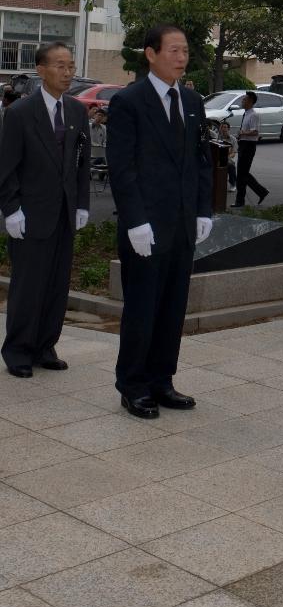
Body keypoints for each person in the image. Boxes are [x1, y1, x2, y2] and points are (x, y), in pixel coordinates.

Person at [107, 24, 213, 418]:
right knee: (142, 307)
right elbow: (122, 168)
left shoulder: (191, 100)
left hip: (182, 225)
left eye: (184, 50)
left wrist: (204, 209)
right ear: (150, 54)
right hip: (145, 227)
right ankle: (133, 385)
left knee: (172, 308)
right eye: (173, 50)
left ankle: (162, 380)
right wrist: (135, 220)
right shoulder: (129, 101)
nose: (181, 57)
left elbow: (201, 161)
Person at [0, 42, 90, 377]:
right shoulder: (20, 113)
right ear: (41, 69)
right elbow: (6, 166)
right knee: (27, 287)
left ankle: (45, 345)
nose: (67, 73)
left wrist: (82, 203)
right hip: (30, 214)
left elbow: (80, 164)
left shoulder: (77, 111)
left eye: (70, 66)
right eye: (59, 66)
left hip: (64, 213)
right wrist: (11, 209)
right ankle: (19, 351)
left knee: (56, 285)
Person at [233, 91, 269, 207]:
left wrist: (243, 133)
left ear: (250, 102)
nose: (242, 101)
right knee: (243, 174)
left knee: (241, 175)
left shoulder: (253, 115)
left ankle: (240, 201)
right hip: (243, 144)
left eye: (244, 100)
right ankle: (261, 191)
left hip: (249, 146)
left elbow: (255, 132)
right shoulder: (246, 113)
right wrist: (241, 135)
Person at [217, 118, 238, 188]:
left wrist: (227, 158)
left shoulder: (233, 139)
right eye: (222, 127)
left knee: (231, 165)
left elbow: (233, 153)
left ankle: (233, 184)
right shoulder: (218, 138)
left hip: (228, 158)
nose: (224, 129)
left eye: (225, 127)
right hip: (217, 158)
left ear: (228, 129)